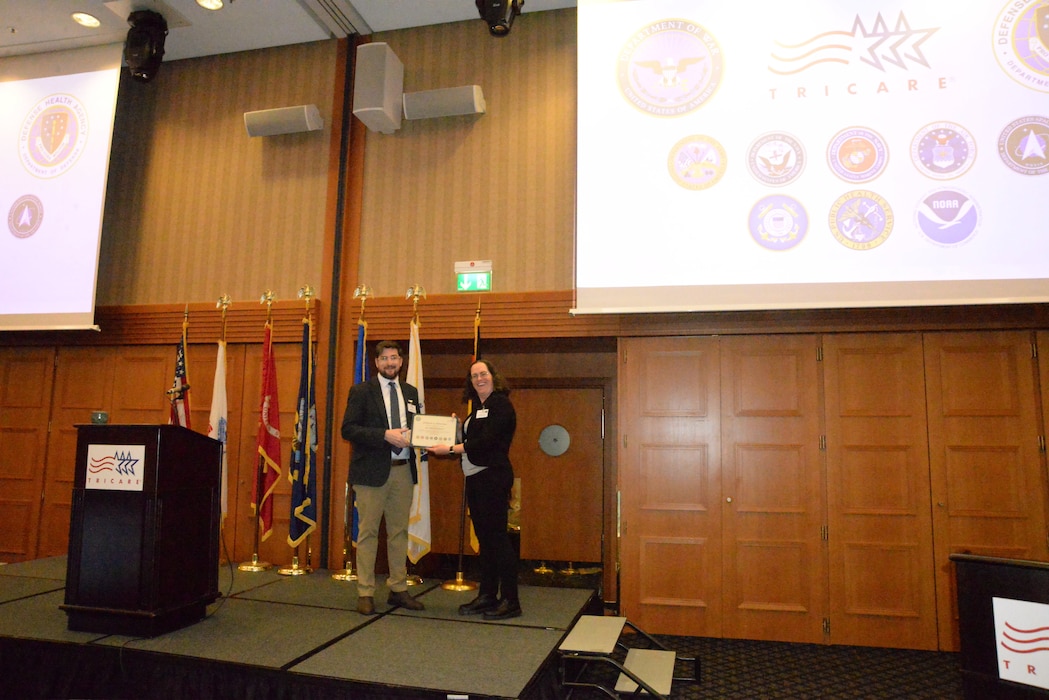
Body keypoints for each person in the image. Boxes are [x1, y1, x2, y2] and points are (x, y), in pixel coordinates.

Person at [429, 359, 520, 619]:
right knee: (486, 539)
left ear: (493, 376)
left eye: (483, 374)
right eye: (474, 376)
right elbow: (473, 441)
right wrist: (458, 431)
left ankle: (511, 600)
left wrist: (450, 448)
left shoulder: (500, 404)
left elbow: (486, 442)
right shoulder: (479, 408)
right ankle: (488, 595)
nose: (479, 379)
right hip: (477, 477)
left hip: (493, 477)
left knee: (497, 539)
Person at [341, 340, 425, 615]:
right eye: (385, 358)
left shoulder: (411, 392)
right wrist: (384, 435)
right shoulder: (361, 391)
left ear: (401, 361)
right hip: (371, 474)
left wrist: (437, 432)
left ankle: (398, 588)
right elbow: (348, 429)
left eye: (394, 358)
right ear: (377, 363)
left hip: (403, 472)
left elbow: (418, 428)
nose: (390, 363)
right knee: (368, 533)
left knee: (399, 533)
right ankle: (365, 592)